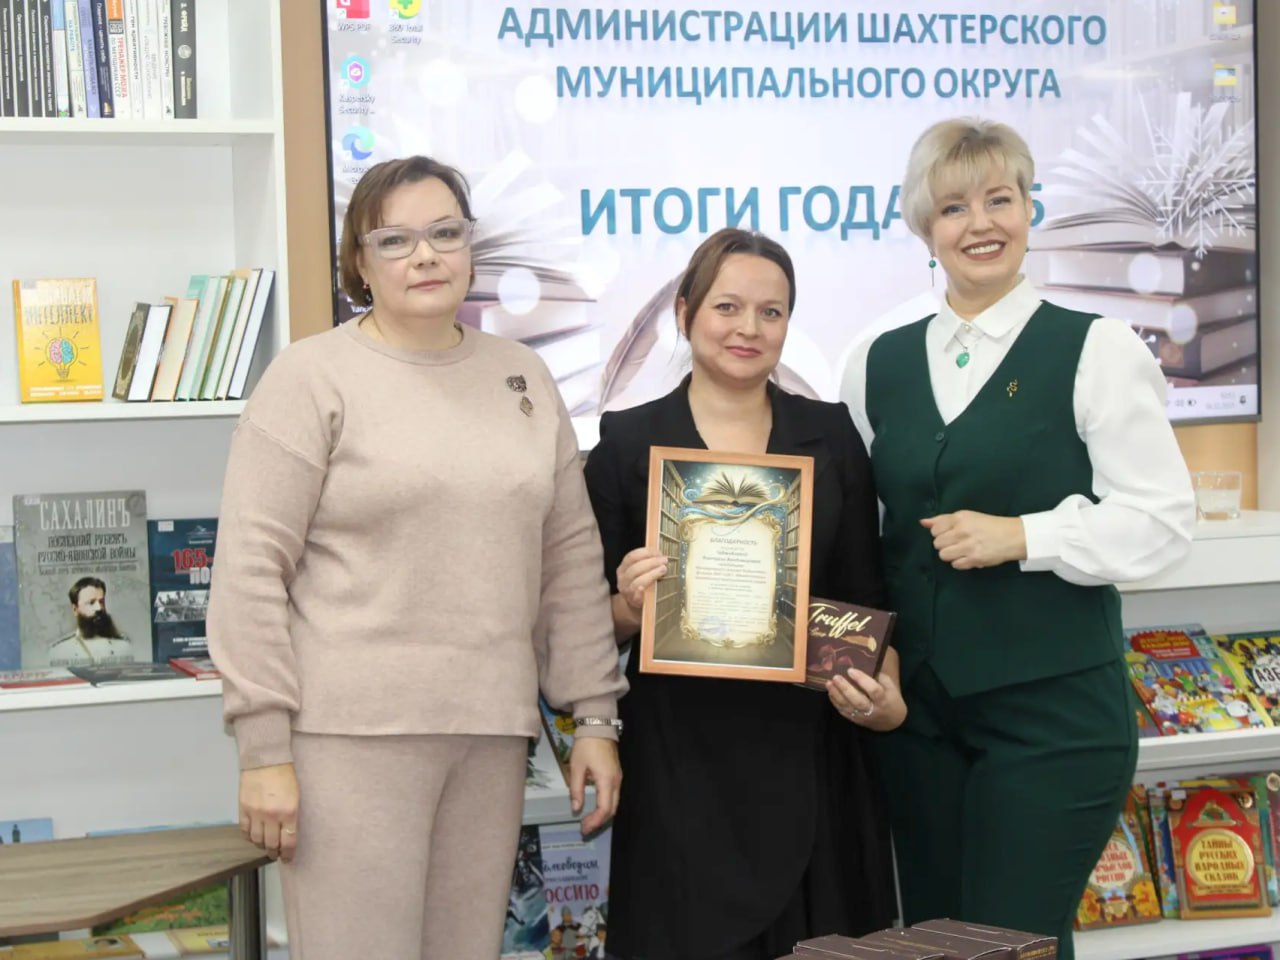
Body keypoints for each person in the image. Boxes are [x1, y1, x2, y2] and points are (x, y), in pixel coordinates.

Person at [207, 155, 627, 960]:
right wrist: (263, 751)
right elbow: (250, 571)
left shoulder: (523, 376)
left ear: (471, 245)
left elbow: (570, 564)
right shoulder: (310, 378)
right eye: (395, 240)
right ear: (359, 263)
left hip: (490, 735)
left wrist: (596, 721)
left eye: (444, 233)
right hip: (347, 741)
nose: (425, 255)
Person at [840, 117, 1196, 960]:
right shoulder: (876, 361)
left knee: (1007, 944)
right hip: (920, 723)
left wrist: (1025, 535)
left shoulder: (1096, 349)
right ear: (925, 227)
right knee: (939, 943)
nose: (981, 224)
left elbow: (1161, 521)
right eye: (954, 207)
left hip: (1054, 720)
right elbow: (863, 535)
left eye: (1000, 199)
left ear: (1031, 209)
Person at [583, 228, 903, 960]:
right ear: (685, 312)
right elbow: (585, 622)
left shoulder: (830, 435)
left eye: (771, 311)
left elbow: (866, 596)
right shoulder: (629, 444)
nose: (749, 328)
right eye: (727, 307)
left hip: (812, 757)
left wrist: (882, 694)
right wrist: (629, 605)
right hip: (681, 766)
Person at [47, 577, 135, 666]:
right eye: (91, 603)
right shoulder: (59, 652)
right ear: (75, 609)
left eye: (101, 602)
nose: (99, 608)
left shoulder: (124, 647)